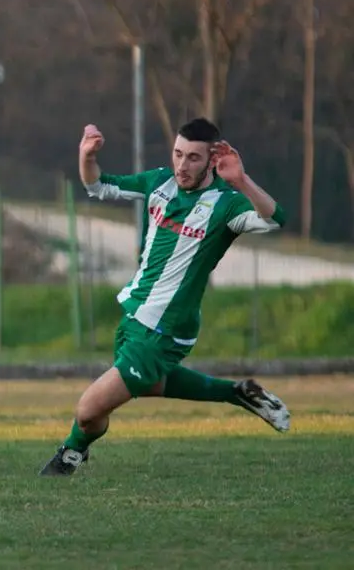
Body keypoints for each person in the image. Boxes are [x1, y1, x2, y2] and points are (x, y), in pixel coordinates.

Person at [39, 118, 291, 477]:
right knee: (144, 387)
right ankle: (237, 392)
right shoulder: (159, 182)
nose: (181, 165)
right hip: (133, 316)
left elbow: (275, 220)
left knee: (88, 408)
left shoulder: (227, 204)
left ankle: (69, 454)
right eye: (177, 154)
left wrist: (241, 180)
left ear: (211, 160)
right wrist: (87, 157)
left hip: (166, 328)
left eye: (192, 158)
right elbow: (98, 186)